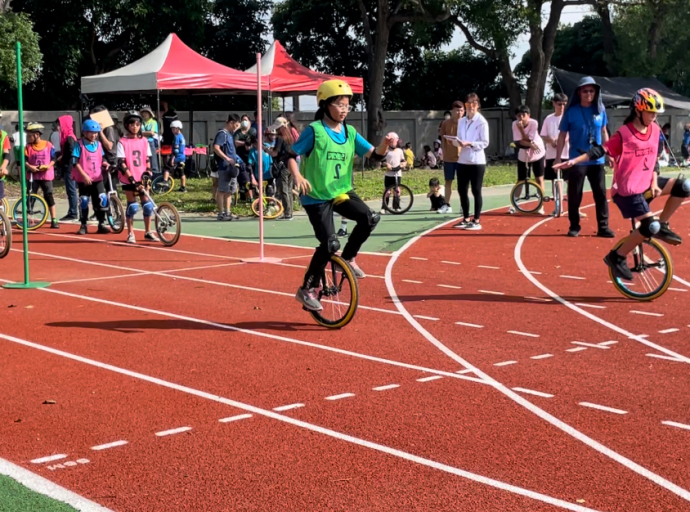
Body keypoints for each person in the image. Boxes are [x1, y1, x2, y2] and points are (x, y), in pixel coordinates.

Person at [554, 88, 688, 280]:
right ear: (638, 111)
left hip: (646, 186)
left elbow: (653, 161)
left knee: (684, 186)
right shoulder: (624, 134)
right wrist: (574, 161)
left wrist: (655, 183)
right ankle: (617, 256)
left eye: (656, 113)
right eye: (651, 112)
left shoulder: (655, 129)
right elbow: (599, 151)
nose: (654, 116)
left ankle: (664, 224)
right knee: (650, 226)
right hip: (627, 192)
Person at [289, 79, 390, 311]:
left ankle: (348, 257)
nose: (344, 109)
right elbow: (290, 154)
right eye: (339, 104)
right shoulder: (315, 131)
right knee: (329, 243)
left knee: (369, 218)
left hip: (341, 192)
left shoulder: (350, 132)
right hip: (316, 196)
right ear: (325, 105)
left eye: (347, 105)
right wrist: (298, 176)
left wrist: (385, 144)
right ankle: (307, 289)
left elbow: (374, 156)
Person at [555, 76, 614, 238]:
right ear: (579, 92)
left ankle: (603, 226)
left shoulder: (600, 111)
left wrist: (610, 154)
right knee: (575, 194)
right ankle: (574, 226)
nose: (588, 94)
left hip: (597, 159)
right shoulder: (571, 112)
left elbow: (604, 132)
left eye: (592, 91)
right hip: (577, 158)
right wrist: (558, 157)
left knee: (601, 193)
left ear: (596, 93)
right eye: (585, 91)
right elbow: (562, 136)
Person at [116, 111, 158, 244]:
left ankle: (148, 232)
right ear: (127, 125)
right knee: (132, 206)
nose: (135, 126)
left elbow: (147, 159)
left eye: (138, 124)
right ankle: (130, 233)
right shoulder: (122, 142)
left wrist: (148, 174)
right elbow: (121, 163)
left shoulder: (144, 141)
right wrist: (132, 180)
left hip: (142, 176)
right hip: (129, 177)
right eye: (132, 124)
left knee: (147, 205)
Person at [455, 92, 489, 230]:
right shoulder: (461, 121)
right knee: (462, 190)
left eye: (473, 104)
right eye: (468, 104)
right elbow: (459, 138)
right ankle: (465, 218)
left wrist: (470, 144)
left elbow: (485, 142)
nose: (471, 107)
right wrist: (456, 143)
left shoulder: (481, 122)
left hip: (477, 161)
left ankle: (476, 220)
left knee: (476, 190)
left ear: (478, 105)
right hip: (463, 160)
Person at [71, 119, 110, 235]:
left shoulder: (98, 144)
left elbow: (101, 158)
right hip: (84, 179)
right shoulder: (79, 144)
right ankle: (83, 224)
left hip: (97, 178)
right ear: (84, 133)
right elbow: (75, 162)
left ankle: (101, 223)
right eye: (91, 132)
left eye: (96, 133)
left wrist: (105, 163)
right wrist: (84, 175)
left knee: (102, 199)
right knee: (84, 200)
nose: (94, 135)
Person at [510, 104, 546, 215]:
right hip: (524, 153)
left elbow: (528, 139)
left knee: (539, 179)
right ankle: (514, 204)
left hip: (537, 153)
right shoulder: (515, 124)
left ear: (528, 115)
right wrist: (521, 129)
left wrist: (528, 143)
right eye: (518, 115)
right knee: (521, 180)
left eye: (523, 115)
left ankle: (541, 205)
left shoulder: (534, 123)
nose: (521, 118)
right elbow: (519, 141)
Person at [541, 93, 571, 217]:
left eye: (564, 104)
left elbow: (570, 134)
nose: (562, 107)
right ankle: (557, 206)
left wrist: (562, 141)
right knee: (555, 181)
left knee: (570, 180)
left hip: (567, 153)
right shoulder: (549, 119)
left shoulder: (569, 117)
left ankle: (573, 207)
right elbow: (543, 135)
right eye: (559, 104)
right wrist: (552, 141)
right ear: (554, 104)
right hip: (552, 155)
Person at [24, 123, 59, 228]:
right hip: (32, 176)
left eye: (29, 135)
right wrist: (30, 167)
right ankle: (28, 218)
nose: (27, 137)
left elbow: (54, 158)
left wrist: (49, 166)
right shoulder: (28, 147)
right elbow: (24, 160)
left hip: (46, 176)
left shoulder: (48, 145)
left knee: (49, 196)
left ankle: (54, 219)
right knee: (30, 196)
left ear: (37, 135)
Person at [267, 116, 296, 220]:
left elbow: (275, 153)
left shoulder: (280, 137)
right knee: (288, 189)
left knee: (283, 190)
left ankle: (287, 214)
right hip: (290, 165)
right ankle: (289, 212)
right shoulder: (290, 136)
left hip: (282, 166)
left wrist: (267, 150)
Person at [213, 114, 241, 221]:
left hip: (232, 167)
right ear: (231, 123)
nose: (236, 127)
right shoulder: (222, 134)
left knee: (230, 190)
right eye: (236, 125)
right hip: (224, 167)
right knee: (222, 190)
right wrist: (227, 158)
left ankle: (227, 212)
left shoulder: (230, 134)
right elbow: (216, 147)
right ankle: (221, 213)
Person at [440, 101, 465, 211]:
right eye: (457, 110)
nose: (459, 112)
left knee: (462, 183)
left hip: (463, 158)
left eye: (461, 110)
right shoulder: (445, 123)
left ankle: (463, 205)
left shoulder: (466, 123)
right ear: (452, 111)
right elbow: (443, 140)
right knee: (448, 181)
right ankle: (447, 205)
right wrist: (443, 153)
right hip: (448, 158)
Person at [89, 105, 120, 193]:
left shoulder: (109, 129)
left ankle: (115, 205)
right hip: (100, 160)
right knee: (102, 188)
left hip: (110, 161)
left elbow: (109, 146)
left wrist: (101, 132)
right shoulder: (94, 130)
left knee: (111, 187)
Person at [380, 132, 407, 214]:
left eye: (395, 141)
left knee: (397, 190)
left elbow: (403, 160)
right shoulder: (386, 150)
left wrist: (403, 164)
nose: (394, 143)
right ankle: (384, 207)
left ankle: (396, 206)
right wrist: (386, 164)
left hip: (397, 174)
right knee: (387, 191)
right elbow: (382, 162)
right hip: (389, 174)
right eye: (392, 141)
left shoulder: (399, 151)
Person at [140, 107, 160, 175]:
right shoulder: (141, 122)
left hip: (151, 142)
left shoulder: (153, 122)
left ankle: (155, 175)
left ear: (149, 114)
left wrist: (142, 133)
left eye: (146, 112)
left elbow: (152, 133)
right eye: (143, 112)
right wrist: (146, 133)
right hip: (142, 142)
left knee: (153, 160)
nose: (144, 114)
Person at [0, 121, 10, 207]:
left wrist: (3, 167)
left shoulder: (3, 135)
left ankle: (1, 218)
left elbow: (6, 154)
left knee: (0, 198)